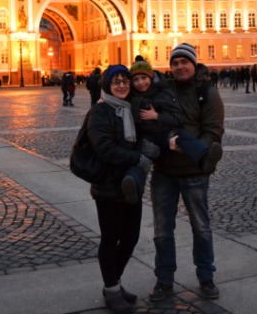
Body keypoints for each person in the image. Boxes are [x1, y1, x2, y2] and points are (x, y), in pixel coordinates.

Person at [150, 43, 224, 302]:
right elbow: (142, 113)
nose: (179, 66)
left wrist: (193, 152)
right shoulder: (161, 91)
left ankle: (206, 277)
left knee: (201, 227)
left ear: (193, 63)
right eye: (175, 63)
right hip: (163, 172)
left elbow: (214, 131)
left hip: (194, 171)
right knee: (162, 230)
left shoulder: (207, 92)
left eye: (184, 62)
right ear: (170, 67)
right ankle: (164, 280)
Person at [87, 64, 150, 314]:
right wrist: (137, 159)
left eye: (125, 81)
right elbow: (104, 150)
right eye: (116, 82)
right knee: (110, 238)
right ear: (107, 86)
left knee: (131, 237)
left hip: (130, 186)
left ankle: (114, 283)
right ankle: (112, 288)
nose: (122, 85)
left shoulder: (130, 110)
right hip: (108, 187)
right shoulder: (100, 112)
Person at [122, 60, 222, 205]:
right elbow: (117, 98)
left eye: (144, 78)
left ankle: (204, 157)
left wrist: (156, 116)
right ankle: (133, 187)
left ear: (150, 78)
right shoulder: (131, 96)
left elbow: (177, 118)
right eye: (136, 79)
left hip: (165, 134)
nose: (140, 82)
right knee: (141, 161)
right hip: (147, 140)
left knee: (182, 137)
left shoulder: (161, 93)